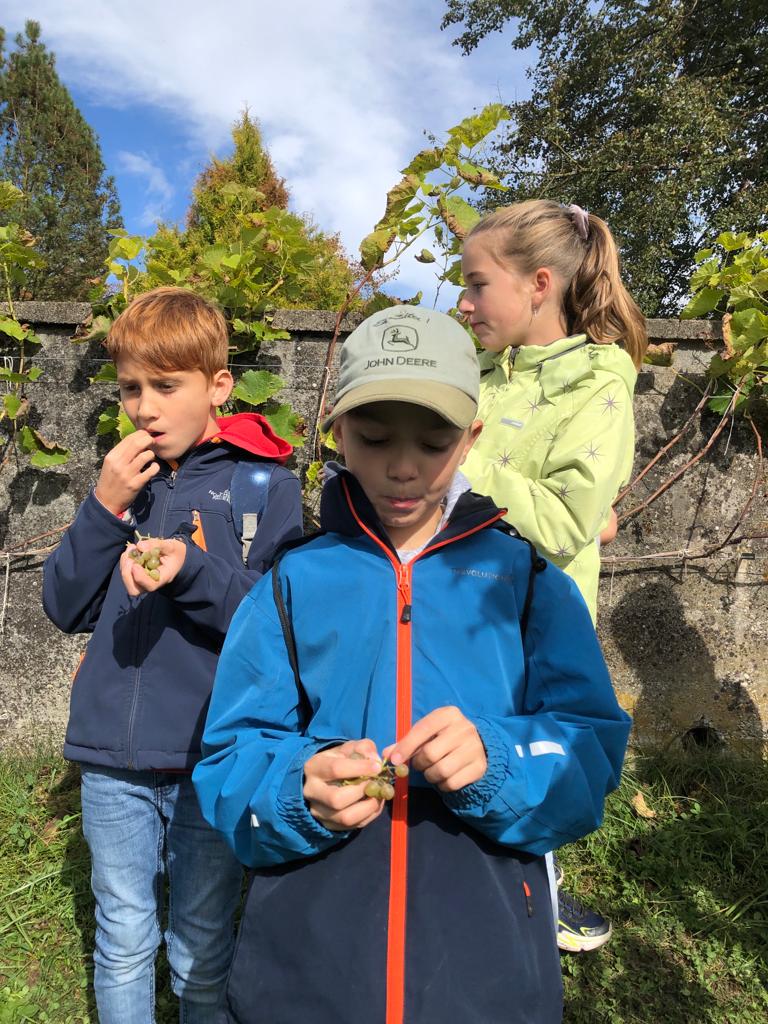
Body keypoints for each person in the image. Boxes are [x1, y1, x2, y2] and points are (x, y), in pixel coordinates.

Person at [192, 305, 631, 1024]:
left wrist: (499, 757)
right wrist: (296, 790)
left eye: (433, 441)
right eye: (373, 437)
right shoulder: (291, 581)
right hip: (308, 974)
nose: (403, 466)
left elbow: (588, 753)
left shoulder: (527, 580)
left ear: (472, 440)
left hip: (485, 980)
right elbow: (230, 753)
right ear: (337, 435)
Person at [43, 287, 303, 1024]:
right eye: (130, 388)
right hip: (110, 760)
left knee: (198, 942)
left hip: (210, 759)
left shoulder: (264, 488)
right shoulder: (125, 483)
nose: (144, 408)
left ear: (218, 385)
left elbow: (277, 621)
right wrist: (101, 506)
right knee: (123, 935)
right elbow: (65, 606)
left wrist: (190, 571)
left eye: (166, 385)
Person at [458, 199, 647, 953]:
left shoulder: (599, 386)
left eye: (477, 284)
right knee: (464, 748)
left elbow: (568, 523)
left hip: (534, 619)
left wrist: (456, 453)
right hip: (458, 597)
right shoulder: (479, 371)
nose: (464, 303)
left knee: (522, 762)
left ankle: (533, 905)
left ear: (539, 284)